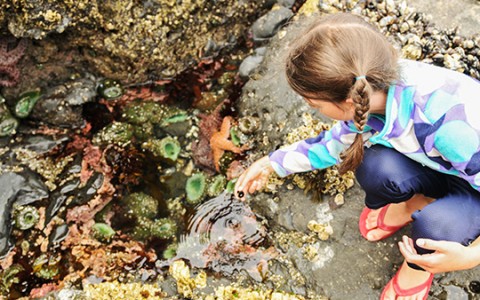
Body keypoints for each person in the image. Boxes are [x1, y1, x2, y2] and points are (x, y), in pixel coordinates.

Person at [234, 12, 480, 300]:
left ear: (348, 101)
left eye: (313, 104)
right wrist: (272, 163)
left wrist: (471, 256)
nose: (312, 108)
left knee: (435, 228)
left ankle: (418, 267)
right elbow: (332, 145)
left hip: (472, 175)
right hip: (444, 163)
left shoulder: (450, 126)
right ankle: (417, 200)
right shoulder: (372, 89)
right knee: (372, 165)